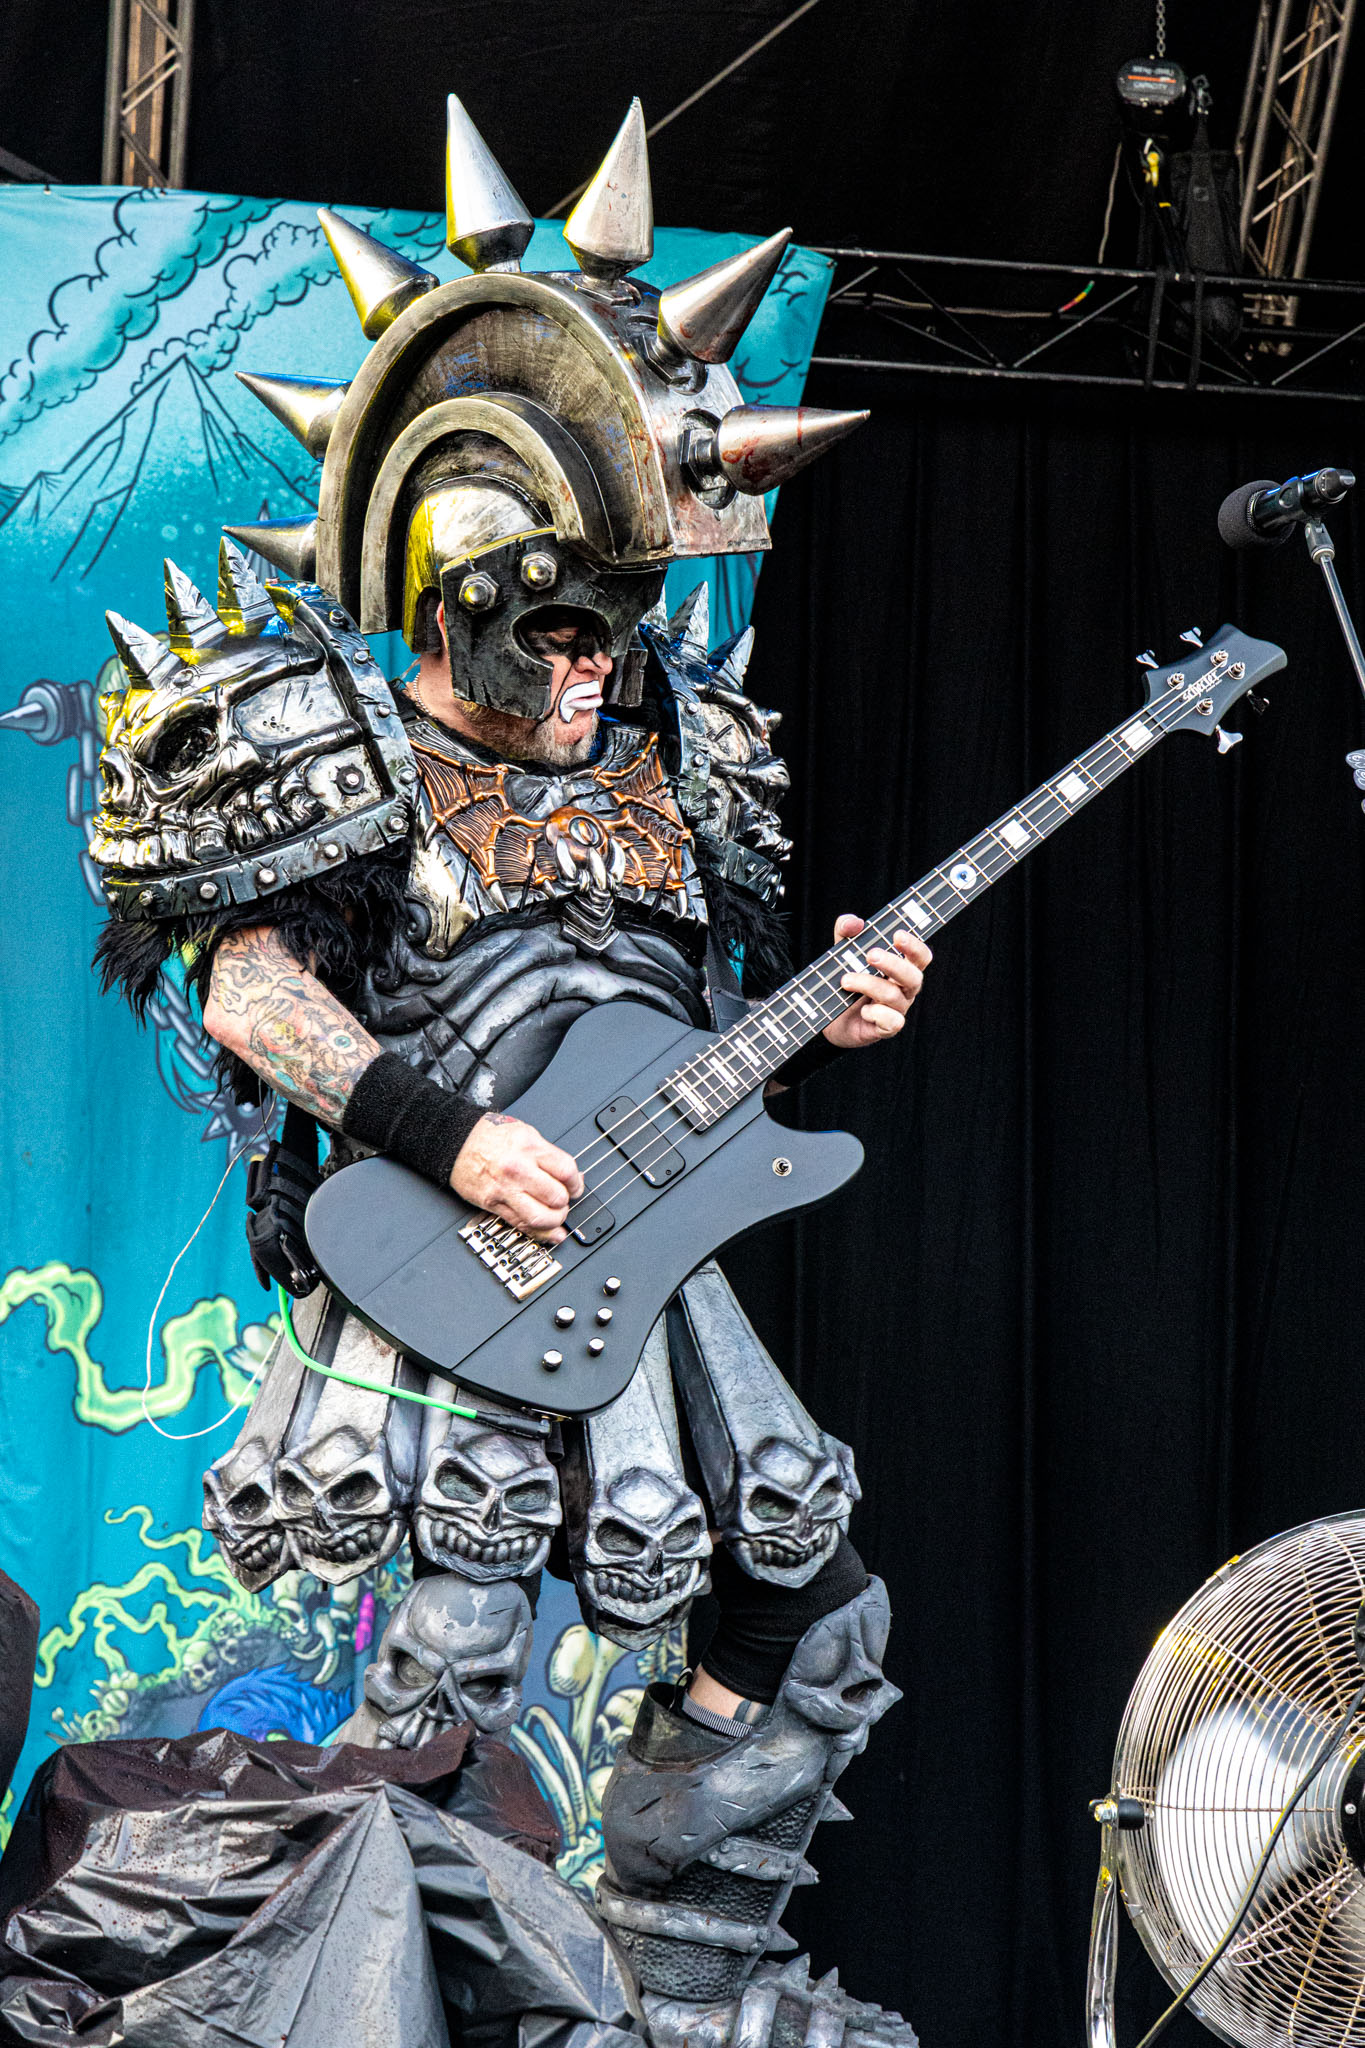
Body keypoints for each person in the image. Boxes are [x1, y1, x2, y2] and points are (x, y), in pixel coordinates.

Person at [91, 93, 927, 2048]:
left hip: (645, 1276)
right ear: (453, 585)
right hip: (439, 1269)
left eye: (612, 629)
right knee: (448, 1670)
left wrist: (826, 1010)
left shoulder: (675, 751)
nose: (586, 670)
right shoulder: (332, 733)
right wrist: (448, 1137)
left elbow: (667, 1018)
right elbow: (252, 992)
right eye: (550, 627)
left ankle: (659, 1978)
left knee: (813, 1626)